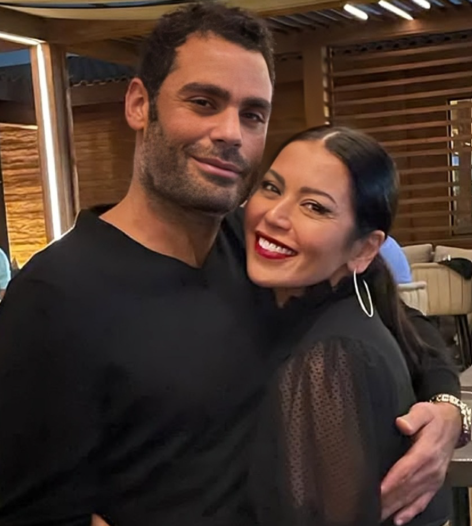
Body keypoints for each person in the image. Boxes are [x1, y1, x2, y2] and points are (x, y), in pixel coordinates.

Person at [0, 3, 464, 526]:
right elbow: (34, 511)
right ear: (139, 104)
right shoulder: (57, 296)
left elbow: (401, 322)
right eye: (203, 102)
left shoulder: (258, 248)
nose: (230, 133)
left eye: (253, 114)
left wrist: (449, 411)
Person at [243, 126, 458, 525]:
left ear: (364, 249)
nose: (275, 215)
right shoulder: (342, 311)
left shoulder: (329, 359)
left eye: (314, 207)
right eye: (271, 188)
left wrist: (449, 408)